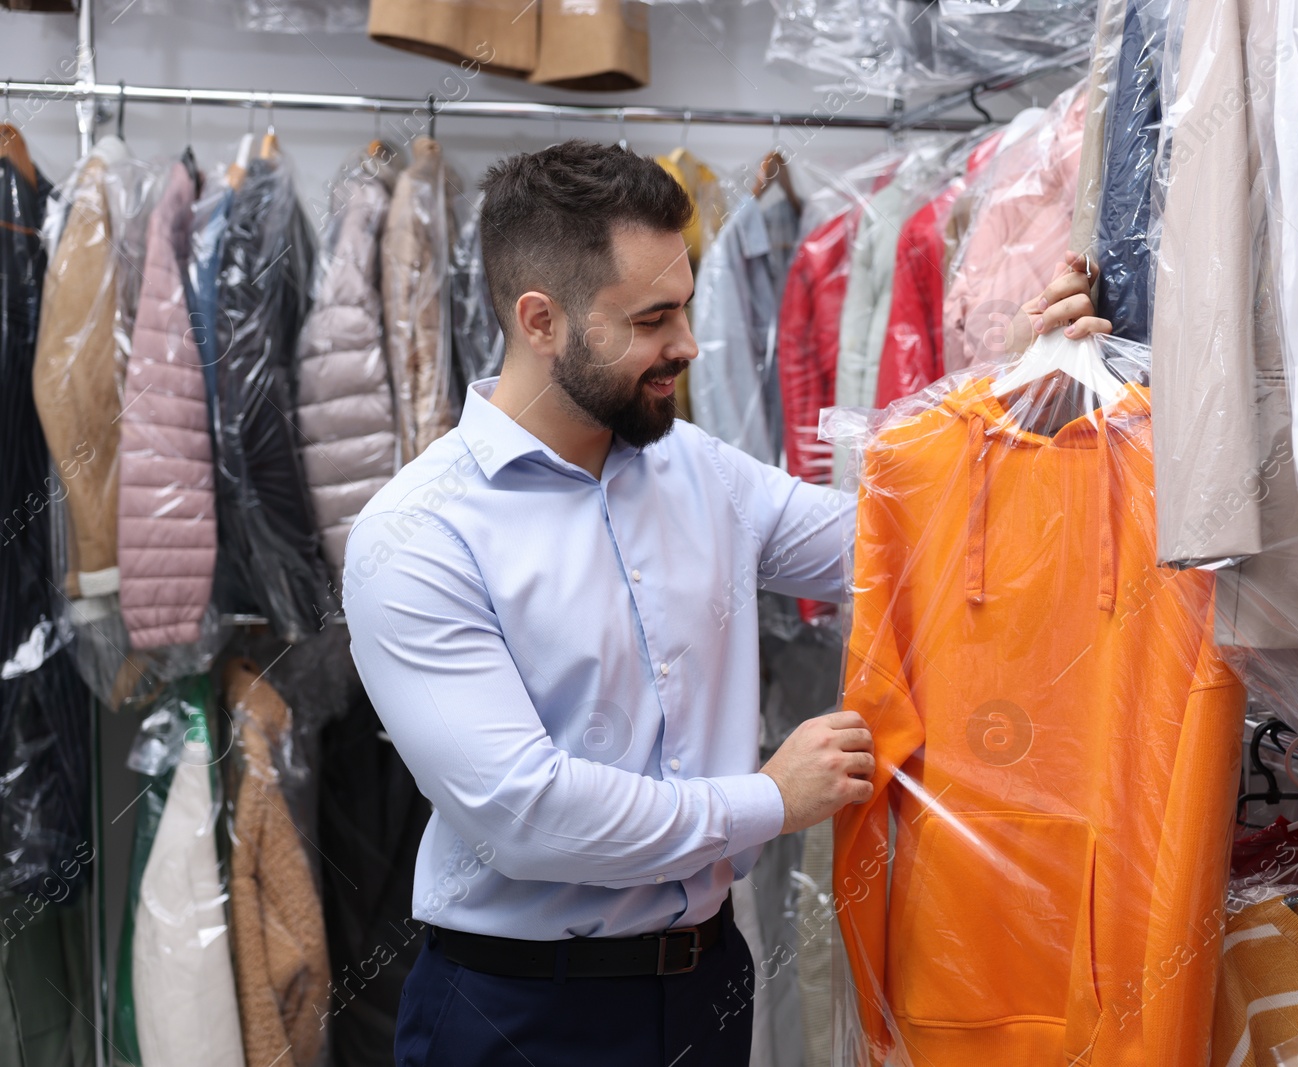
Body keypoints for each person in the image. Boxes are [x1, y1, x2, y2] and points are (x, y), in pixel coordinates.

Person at [342, 140, 1110, 1067]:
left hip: (705, 990)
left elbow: (906, 541)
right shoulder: (417, 534)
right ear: (541, 320)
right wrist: (767, 798)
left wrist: (1026, 392)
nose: (689, 345)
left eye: (688, 306)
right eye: (654, 318)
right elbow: (525, 812)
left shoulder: (699, 470)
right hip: (518, 1016)